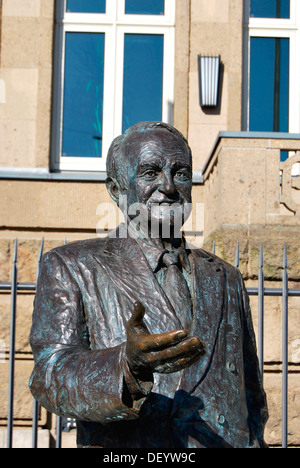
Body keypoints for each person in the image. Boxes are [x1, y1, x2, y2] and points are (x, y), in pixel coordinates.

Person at [29, 122, 268, 448]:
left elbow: (250, 391)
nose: (168, 186)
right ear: (116, 190)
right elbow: (49, 376)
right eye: (150, 173)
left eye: (181, 173)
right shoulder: (72, 266)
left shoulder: (226, 277)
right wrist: (126, 367)